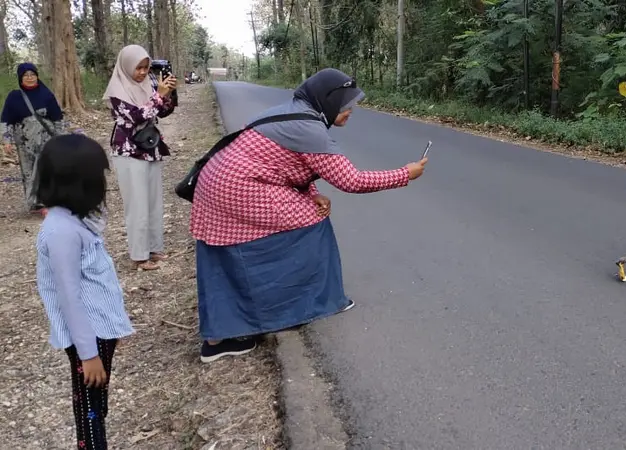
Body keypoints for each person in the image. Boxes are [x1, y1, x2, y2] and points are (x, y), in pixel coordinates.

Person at [189, 68, 428, 363]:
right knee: (312, 222)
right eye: (345, 103)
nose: (351, 110)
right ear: (327, 100)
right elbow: (351, 181)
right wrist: (405, 174)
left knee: (233, 250)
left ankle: (219, 336)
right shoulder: (309, 128)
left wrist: (312, 193)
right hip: (241, 189)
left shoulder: (293, 113)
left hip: (216, 185)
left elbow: (292, 163)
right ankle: (299, 306)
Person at [34, 133, 134, 450]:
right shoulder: (61, 231)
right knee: (89, 417)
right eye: (98, 178)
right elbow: (69, 296)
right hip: (88, 339)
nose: (104, 185)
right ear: (79, 185)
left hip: (99, 332)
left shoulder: (73, 219)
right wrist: (89, 354)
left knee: (96, 406)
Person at [103, 44, 177, 271]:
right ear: (126, 67)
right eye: (138, 68)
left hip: (151, 147)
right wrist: (158, 97)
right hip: (128, 150)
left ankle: (154, 248)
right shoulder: (117, 91)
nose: (143, 73)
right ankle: (138, 255)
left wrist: (169, 93)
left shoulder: (150, 84)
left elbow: (162, 111)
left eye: (146, 68)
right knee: (137, 204)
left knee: (154, 201)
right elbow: (134, 117)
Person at [1, 62, 65, 216]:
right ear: (20, 78)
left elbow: (57, 118)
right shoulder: (13, 97)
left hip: (45, 138)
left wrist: (61, 138)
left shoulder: (46, 94)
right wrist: (7, 140)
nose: (30, 78)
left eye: (33, 74)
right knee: (28, 172)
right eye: (26, 75)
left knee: (46, 168)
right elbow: (5, 120)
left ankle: (49, 202)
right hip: (24, 141)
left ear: (37, 76)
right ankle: (34, 204)